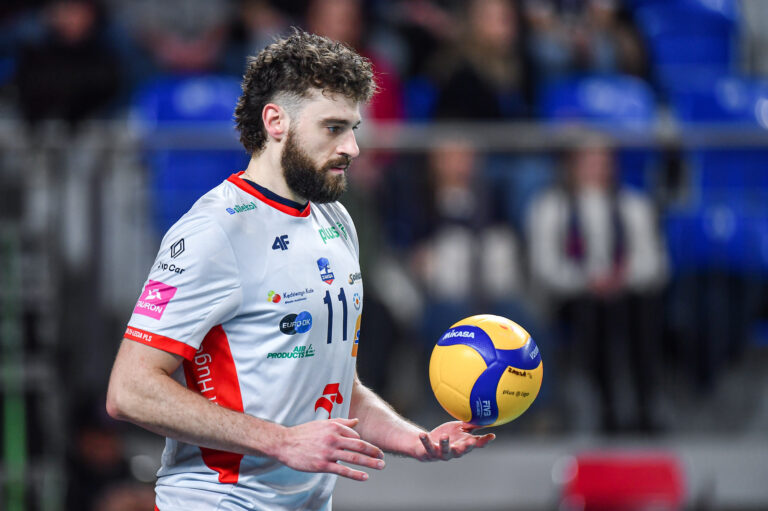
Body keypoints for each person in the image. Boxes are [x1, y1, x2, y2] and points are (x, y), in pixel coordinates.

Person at [106, 30, 494, 511]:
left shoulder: (337, 220)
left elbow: (339, 386)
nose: (353, 147)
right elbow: (129, 391)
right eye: (333, 128)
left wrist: (416, 440)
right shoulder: (215, 232)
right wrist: (281, 441)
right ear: (276, 122)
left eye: (353, 128)